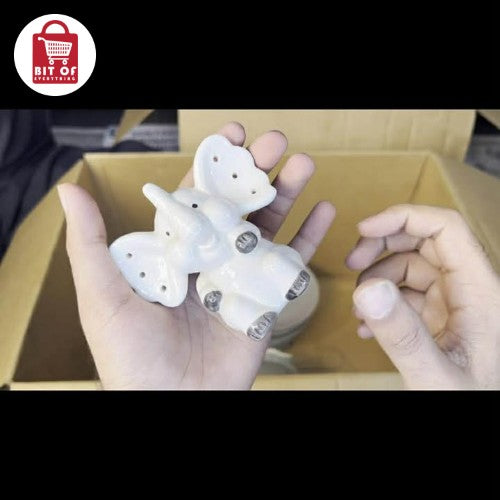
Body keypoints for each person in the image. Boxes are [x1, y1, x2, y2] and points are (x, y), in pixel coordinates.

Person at [57, 123, 500, 390]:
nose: (191, 225)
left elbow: (250, 236)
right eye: (174, 228)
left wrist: (241, 239)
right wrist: (214, 298)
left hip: (256, 264)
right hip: (229, 286)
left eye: (192, 208)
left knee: (278, 260)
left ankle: (293, 282)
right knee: (219, 296)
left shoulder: (236, 224)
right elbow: (207, 282)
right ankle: (252, 318)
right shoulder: (192, 268)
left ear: (220, 192)